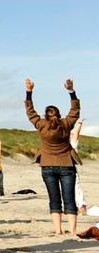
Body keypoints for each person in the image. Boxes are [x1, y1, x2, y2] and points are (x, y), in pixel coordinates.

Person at [25, 77, 81, 237]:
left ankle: (58, 230)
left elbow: (30, 113)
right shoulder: (65, 124)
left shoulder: (42, 124)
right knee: (69, 198)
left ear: (46, 116)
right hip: (67, 166)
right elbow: (75, 111)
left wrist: (29, 93)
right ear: (58, 114)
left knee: (54, 199)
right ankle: (73, 231)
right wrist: (71, 92)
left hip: (47, 166)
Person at [71, 118, 88, 215]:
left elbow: (76, 134)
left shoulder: (71, 144)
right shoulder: (69, 144)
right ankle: (80, 207)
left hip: (69, 168)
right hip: (69, 168)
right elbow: (76, 134)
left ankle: (81, 207)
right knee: (75, 188)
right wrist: (80, 123)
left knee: (75, 188)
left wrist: (80, 123)